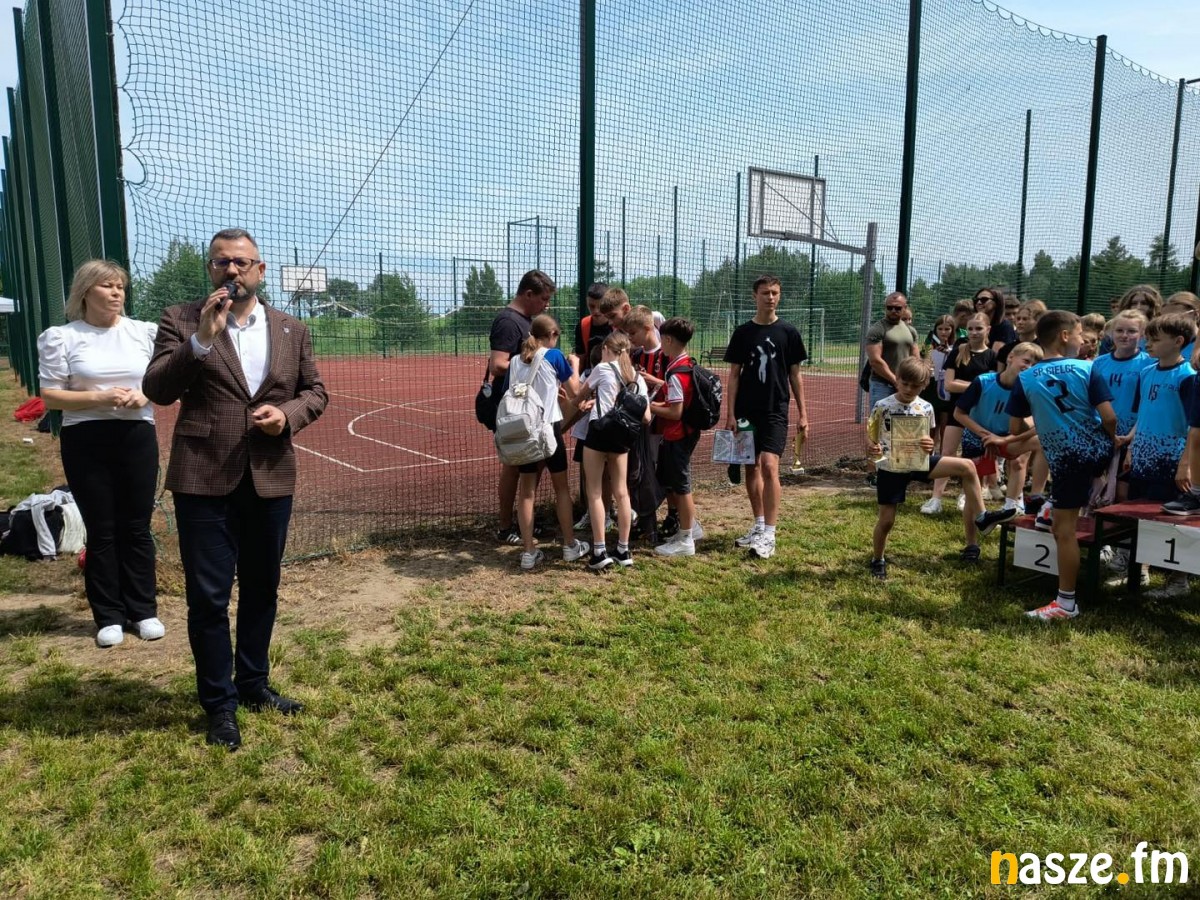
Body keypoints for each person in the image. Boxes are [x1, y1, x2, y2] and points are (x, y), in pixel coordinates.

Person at [142, 228, 328, 750]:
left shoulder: (291, 328)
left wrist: (287, 416)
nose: (232, 270)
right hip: (203, 476)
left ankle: (253, 683)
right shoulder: (181, 319)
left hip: (270, 474)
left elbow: (315, 391)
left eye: (242, 262)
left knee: (262, 587)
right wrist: (201, 339)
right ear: (210, 269)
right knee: (208, 597)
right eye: (221, 261)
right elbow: (157, 389)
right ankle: (219, 704)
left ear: (260, 270)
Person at [37, 260, 162, 649]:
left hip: (137, 435)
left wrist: (144, 394)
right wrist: (100, 398)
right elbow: (50, 396)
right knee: (102, 528)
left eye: (120, 286)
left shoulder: (143, 333)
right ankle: (108, 615)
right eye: (107, 285)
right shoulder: (63, 337)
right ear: (85, 292)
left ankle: (143, 610)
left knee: (137, 526)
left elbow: (160, 381)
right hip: (86, 439)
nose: (116, 292)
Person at [1005, 311, 1117, 620]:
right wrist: (1109, 445)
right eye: (1080, 334)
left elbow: (1015, 427)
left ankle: (1066, 603)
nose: (1083, 340)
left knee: (1063, 531)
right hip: (1096, 453)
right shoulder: (1087, 368)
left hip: (1068, 462)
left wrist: (1046, 421)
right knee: (1061, 520)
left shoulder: (1026, 378)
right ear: (1065, 336)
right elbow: (1109, 418)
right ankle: (1050, 505)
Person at [866, 358, 1013, 579]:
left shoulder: (926, 407)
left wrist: (928, 445)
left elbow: (928, 439)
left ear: (924, 385)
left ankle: (982, 517)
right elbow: (871, 436)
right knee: (886, 521)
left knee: (967, 466)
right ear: (897, 380)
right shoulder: (883, 405)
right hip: (892, 467)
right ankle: (878, 559)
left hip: (919, 463)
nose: (909, 389)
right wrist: (873, 447)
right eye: (905, 383)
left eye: (915, 386)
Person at [723, 275, 809, 559]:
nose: (770, 297)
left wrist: (803, 413)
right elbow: (734, 376)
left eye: (774, 293)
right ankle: (758, 524)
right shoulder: (743, 333)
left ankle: (770, 534)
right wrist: (730, 413)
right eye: (765, 293)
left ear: (779, 296)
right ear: (754, 296)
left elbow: (795, 376)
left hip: (775, 410)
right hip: (747, 411)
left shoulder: (789, 332)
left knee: (770, 465)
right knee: (751, 467)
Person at [507, 315, 590, 571]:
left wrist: (551, 388)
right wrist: (574, 365)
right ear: (552, 334)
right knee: (561, 488)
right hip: (548, 428)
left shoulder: (515, 361)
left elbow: (520, 391)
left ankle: (528, 552)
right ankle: (569, 545)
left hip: (524, 430)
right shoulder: (554, 356)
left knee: (526, 492)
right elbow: (575, 391)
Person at [1123, 313, 1196, 597]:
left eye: (1155, 339)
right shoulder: (1145, 372)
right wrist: (1131, 447)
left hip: (1171, 460)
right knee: (1138, 515)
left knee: (1170, 520)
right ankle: (1140, 571)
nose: (1148, 344)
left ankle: (1179, 579)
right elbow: (1142, 413)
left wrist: (1185, 463)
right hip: (1143, 457)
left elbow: (1193, 426)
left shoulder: (1188, 377)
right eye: (1148, 338)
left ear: (1178, 341)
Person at [485, 271, 555, 545]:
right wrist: (534, 363)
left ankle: (526, 521)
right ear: (528, 294)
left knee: (533, 460)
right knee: (513, 465)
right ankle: (505, 526)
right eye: (543, 299)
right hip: (513, 407)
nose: (546, 305)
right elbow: (497, 365)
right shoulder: (508, 321)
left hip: (530, 406)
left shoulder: (527, 321)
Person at [575, 332, 650, 570]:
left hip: (599, 432)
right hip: (622, 437)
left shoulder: (602, 368)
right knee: (622, 492)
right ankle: (623, 549)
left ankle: (599, 551)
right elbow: (647, 417)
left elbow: (579, 394)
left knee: (595, 492)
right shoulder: (636, 377)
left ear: (606, 349)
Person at [955, 342, 1045, 514]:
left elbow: (1037, 425)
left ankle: (1017, 503)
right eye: (1026, 361)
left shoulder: (1031, 390)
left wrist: (1004, 439)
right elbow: (959, 413)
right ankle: (971, 501)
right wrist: (986, 436)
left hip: (1006, 438)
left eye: (1034, 365)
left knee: (1038, 444)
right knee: (974, 474)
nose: (1029, 367)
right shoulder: (983, 381)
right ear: (1010, 357)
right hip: (977, 434)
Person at [923, 313, 997, 513]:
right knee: (947, 453)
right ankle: (936, 498)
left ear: (988, 330)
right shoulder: (958, 352)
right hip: (957, 410)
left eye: (979, 328)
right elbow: (949, 384)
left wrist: (966, 385)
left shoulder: (992, 357)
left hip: (980, 413)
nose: (974, 332)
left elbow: (991, 387)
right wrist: (976, 385)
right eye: (970, 328)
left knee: (975, 457)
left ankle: (967, 495)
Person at [651, 317, 704, 557]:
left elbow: (675, 412)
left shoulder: (675, 373)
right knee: (675, 483)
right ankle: (689, 530)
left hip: (678, 434)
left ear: (668, 340)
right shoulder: (686, 363)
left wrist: (648, 407)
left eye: (661, 338)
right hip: (686, 432)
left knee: (682, 488)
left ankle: (686, 539)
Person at [864, 291, 920, 412]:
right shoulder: (877, 329)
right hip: (882, 385)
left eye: (898, 308)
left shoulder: (911, 331)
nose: (893, 310)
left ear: (905, 308)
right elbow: (875, 361)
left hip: (906, 385)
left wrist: (914, 380)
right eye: (889, 307)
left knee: (905, 420)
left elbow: (916, 358)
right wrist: (896, 381)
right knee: (880, 420)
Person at [573, 282, 612, 363]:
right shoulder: (583, 325)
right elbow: (580, 358)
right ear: (587, 301)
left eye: (600, 306)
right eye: (592, 306)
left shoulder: (617, 324)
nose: (596, 311)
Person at [975, 287, 1017, 352]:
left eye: (984, 299)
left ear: (997, 302)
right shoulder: (973, 323)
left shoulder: (1004, 326)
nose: (979, 302)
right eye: (976, 300)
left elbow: (996, 355)